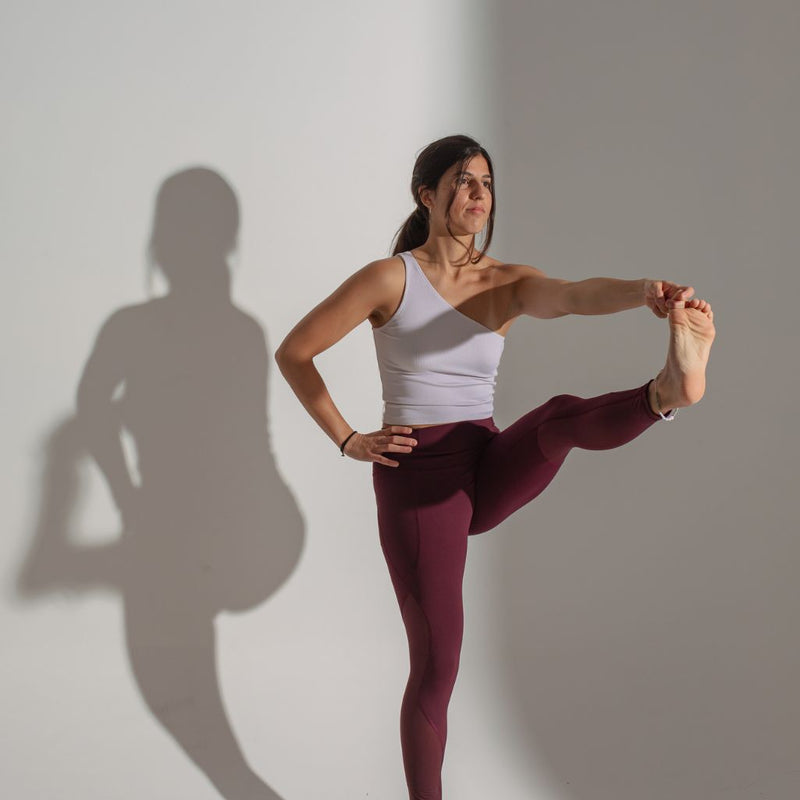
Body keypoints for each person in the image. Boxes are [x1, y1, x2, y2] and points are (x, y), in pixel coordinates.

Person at [275, 134, 715, 800]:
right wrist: (348, 439)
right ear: (427, 195)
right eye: (463, 181)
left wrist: (643, 292)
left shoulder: (505, 282)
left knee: (562, 416)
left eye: (486, 182)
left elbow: (571, 295)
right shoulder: (389, 278)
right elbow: (295, 352)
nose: (479, 193)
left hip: (484, 461)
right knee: (437, 667)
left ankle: (666, 393)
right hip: (418, 479)